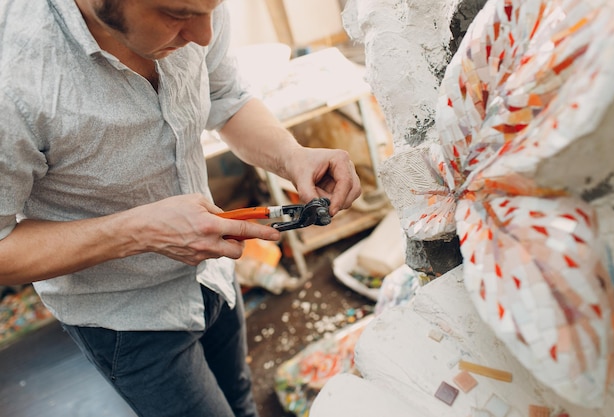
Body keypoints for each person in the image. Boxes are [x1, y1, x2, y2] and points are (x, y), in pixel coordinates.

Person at [0, 0, 362, 416]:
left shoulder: (198, 15)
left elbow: (226, 96)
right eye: (178, 13)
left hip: (213, 279)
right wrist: (140, 232)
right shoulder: (12, 79)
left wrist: (292, 156)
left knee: (241, 402)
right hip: (126, 320)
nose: (205, 35)